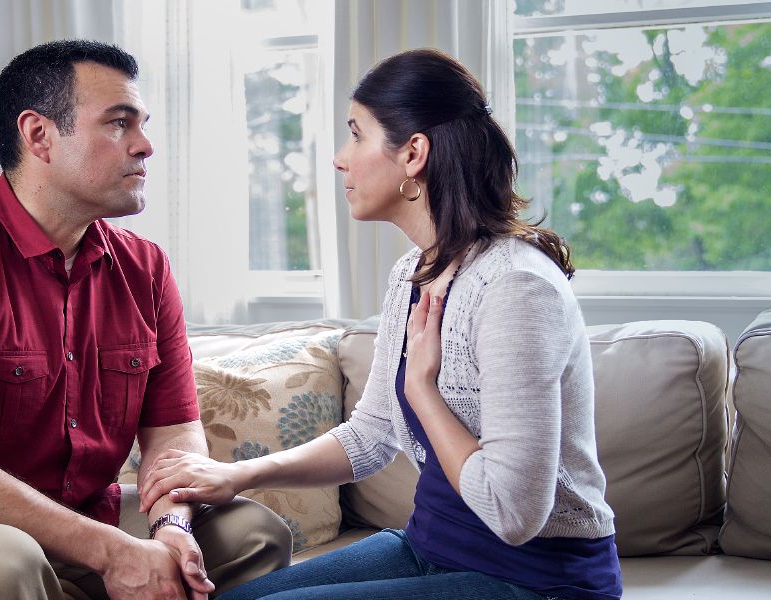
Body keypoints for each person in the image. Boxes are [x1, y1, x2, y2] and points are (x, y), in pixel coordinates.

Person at [0, 40, 290, 600]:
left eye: (142, 124)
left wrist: (170, 528)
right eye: (118, 123)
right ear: (39, 136)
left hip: (74, 518)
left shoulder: (146, 268)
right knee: (4, 564)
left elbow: (175, 436)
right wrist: (112, 553)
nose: (145, 145)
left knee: (252, 533)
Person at [140, 48, 623, 600]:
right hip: (431, 548)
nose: (341, 159)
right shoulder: (413, 274)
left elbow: (515, 514)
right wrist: (240, 476)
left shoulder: (516, 287)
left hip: (536, 579)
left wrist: (423, 390)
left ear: (414, 153)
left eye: (357, 134)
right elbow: (372, 434)